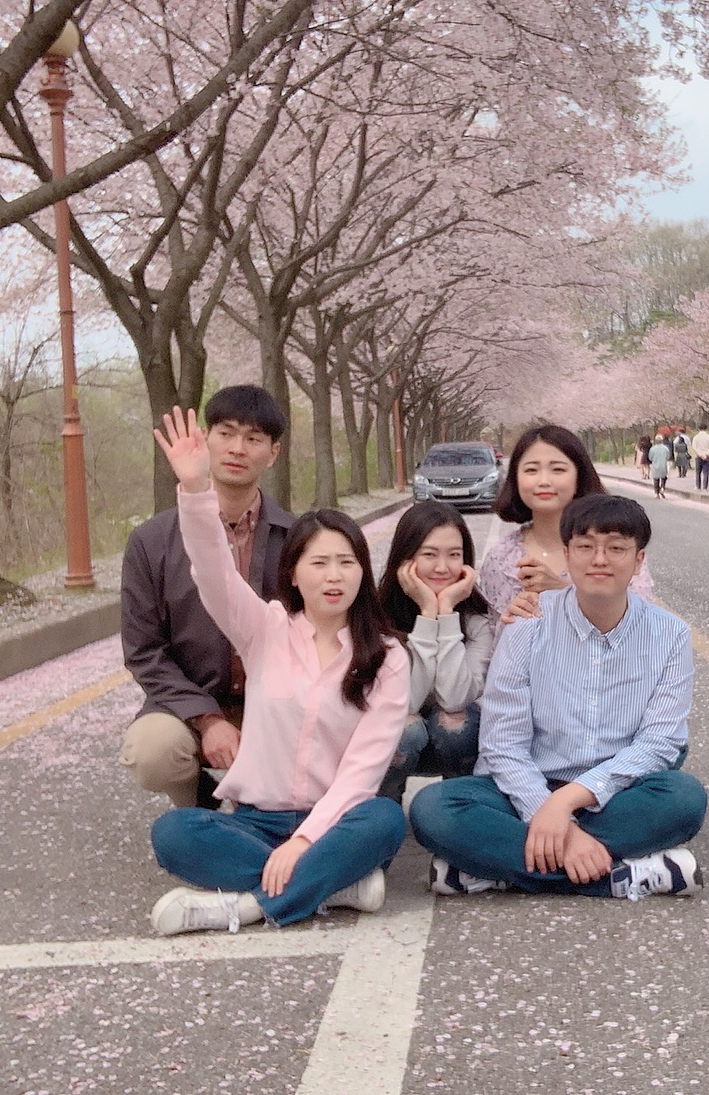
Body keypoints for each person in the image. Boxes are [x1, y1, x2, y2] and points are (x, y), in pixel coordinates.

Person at [145, 407, 410, 935]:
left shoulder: (386, 656)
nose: (334, 577)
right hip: (257, 822)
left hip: (335, 821)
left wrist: (306, 840)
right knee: (173, 832)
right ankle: (333, 885)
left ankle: (245, 906)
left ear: (363, 571)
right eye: (319, 563)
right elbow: (214, 572)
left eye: (347, 562)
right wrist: (195, 490)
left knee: (384, 820)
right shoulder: (264, 629)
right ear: (292, 573)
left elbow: (362, 772)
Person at [409, 494, 707, 899]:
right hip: (525, 786)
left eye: (616, 548)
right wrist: (556, 821)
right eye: (585, 547)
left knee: (684, 798)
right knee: (434, 809)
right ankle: (621, 876)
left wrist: (564, 803)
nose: (599, 559)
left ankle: (501, 871)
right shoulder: (527, 624)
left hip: (615, 792)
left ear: (638, 561)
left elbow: (659, 743)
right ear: (566, 555)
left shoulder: (670, 636)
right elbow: (502, 744)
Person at [120, 384, 295, 809]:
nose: (237, 448)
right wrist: (208, 717)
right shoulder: (151, 541)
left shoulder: (297, 538)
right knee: (153, 750)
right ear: (205, 439)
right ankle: (197, 807)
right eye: (226, 433)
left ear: (273, 453)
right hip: (191, 701)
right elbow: (145, 651)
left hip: (279, 700)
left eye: (253, 438)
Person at [478, 423, 653, 630]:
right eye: (531, 470)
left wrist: (564, 591)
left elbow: (642, 622)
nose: (544, 481)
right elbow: (493, 640)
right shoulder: (501, 558)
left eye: (558, 469)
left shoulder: (614, 547)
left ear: (579, 476)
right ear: (515, 479)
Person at [376, 502, 494, 802]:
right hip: (402, 736)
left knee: (455, 723)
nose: (443, 568)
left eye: (454, 555)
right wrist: (427, 614)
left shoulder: (477, 620)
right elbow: (406, 704)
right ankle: (384, 808)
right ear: (405, 558)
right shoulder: (377, 617)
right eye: (429, 555)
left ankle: (457, 805)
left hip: (454, 740)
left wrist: (447, 612)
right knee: (406, 728)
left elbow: (454, 699)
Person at [691, 424, 709, 490]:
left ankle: (698, 486)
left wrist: (700, 454)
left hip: (698, 456)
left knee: (698, 472)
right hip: (707, 456)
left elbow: (694, 447)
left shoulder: (696, 437)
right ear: (706, 429)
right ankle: (705, 487)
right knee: (706, 472)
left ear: (699, 429)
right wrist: (706, 454)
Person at [648, 433, 671, 498]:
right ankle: (662, 487)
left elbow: (650, 458)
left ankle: (656, 492)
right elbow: (668, 456)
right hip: (663, 465)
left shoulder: (652, 449)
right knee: (664, 478)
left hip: (655, 466)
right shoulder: (665, 448)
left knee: (656, 479)